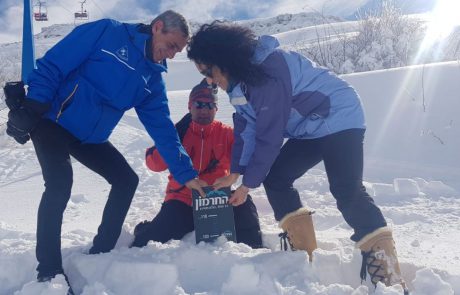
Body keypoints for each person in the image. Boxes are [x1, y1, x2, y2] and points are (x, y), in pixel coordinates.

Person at [187, 21, 408, 293]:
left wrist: (247, 186)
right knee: (277, 178)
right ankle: (303, 253)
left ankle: (387, 274)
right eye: (202, 74)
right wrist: (236, 171)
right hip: (310, 128)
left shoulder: (268, 71)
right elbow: (247, 128)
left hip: (339, 117)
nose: (208, 80)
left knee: (346, 189)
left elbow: (269, 136)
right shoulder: (238, 85)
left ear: (224, 58)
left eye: (208, 70)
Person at [5, 10, 205, 283]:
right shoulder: (107, 32)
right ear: (157, 27)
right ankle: (49, 271)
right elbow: (54, 64)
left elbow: (163, 130)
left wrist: (186, 173)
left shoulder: (152, 79)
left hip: (90, 138)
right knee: (60, 183)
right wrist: (35, 105)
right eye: (171, 45)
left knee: (126, 180)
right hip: (53, 121)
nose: (171, 54)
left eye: (177, 51)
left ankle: (102, 252)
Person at [131, 79, 263, 249]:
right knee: (144, 244)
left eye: (209, 105)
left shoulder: (227, 134)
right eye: (199, 104)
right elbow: (153, 165)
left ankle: (255, 255)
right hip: (181, 201)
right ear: (189, 106)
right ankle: (149, 229)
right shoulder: (177, 133)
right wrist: (173, 138)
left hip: (217, 200)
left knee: (245, 206)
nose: (204, 110)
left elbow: (252, 158)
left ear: (216, 109)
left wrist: (245, 125)